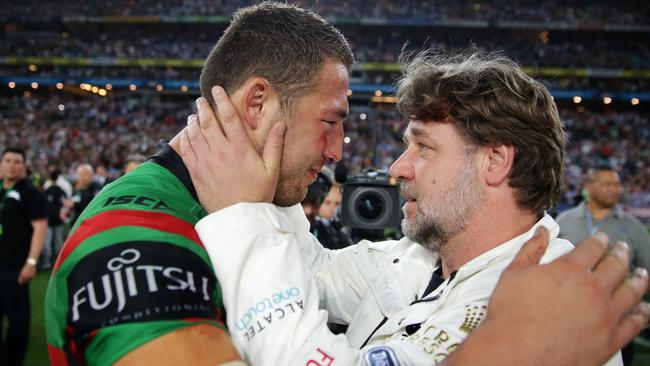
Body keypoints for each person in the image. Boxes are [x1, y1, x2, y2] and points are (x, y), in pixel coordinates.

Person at [179, 49, 645, 364]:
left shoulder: (546, 297)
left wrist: (238, 213)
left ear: (496, 161)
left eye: (423, 147)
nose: (398, 169)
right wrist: (279, 171)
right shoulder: (416, 259)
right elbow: (309, 270)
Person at [43, 2, 354, 365]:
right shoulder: (131, 233)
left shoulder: (250, 206)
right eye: (330, 121)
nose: (336, 152)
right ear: (256, 104)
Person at [557, 165, 650, 364]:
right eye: (608, 184)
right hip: (568, 318)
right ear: (588, 187)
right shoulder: (564, 222)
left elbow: (647, 269)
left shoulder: (633, 225)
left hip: (616, 321)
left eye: (617, 185)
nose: (615, 189)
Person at [0, 147, 47, 366]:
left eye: (17, 161)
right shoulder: (1, 189)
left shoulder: (30, 192)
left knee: (18, 320)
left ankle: (12, 360)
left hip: (16, 266)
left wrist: (31, 262)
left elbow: (40, 228)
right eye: (7, 160)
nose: (11, 165)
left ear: (24, 166)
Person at [40, 169, 68, 270]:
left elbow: (42, 205)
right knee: (58, 242)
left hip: (48, 219)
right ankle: (57, 263)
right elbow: (66, 204)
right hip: (58, 220)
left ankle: (47, 263)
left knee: (47, 242)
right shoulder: (61, 190)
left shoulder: (47, 191)